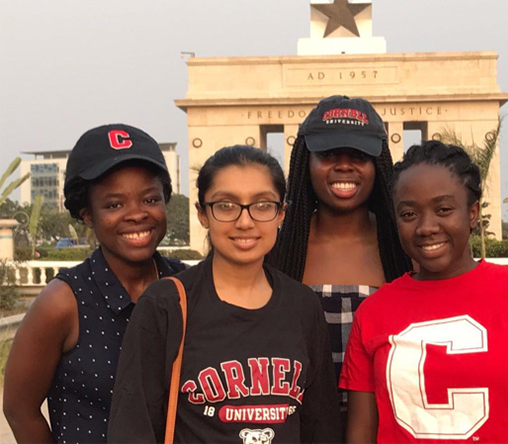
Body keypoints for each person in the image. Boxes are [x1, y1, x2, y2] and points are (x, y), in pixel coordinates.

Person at [340, 140, 508, 443]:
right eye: (408, 214)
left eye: (443, 209)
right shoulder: (373, 312)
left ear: (472, 213)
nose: (426, 226)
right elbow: (361, 434)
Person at [108, 145, 341, 443]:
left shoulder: (303, 306)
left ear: (281, 213)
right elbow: (132, 427)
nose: (245, 222)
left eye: (262, 205)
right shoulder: (166, 304)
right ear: (203, 214)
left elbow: (321, 427)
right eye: (226, 205)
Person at [3, 124, 184, 444]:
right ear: (87, 214)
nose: (136, 214)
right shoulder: (63, 301)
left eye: (150, 198)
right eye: (114, 204)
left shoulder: (188, 287)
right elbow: (20, 409)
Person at [270, 95, 411, 416]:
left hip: (387, 428)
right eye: (329, 154)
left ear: (379, 165)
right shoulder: (277, 252)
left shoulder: (406, 250)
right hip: (300, 429)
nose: (344, 165)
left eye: (360, 155)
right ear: (306, 161)